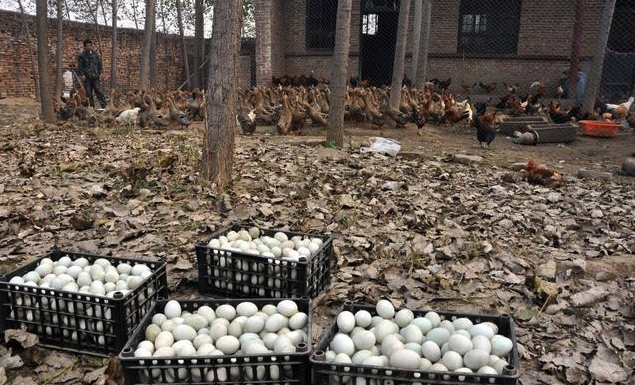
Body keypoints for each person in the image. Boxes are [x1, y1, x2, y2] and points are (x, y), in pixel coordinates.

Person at [77, 39, 106, 108]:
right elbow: (80, 67)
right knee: (88, 93)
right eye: (87, 45)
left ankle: (104, 106)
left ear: (91, 46)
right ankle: (91, 107)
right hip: (87, 78)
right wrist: (82, 75)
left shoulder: (95, 54)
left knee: (99, 91)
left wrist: (101, 73)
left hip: (96, 77)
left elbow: (99, 64)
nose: (88, 47)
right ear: (84, 46)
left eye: (90, 45)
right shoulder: (82, 56)